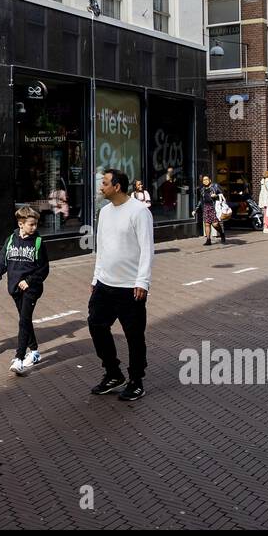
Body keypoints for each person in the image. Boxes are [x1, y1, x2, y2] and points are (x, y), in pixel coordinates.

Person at [88, 168, 154, 402]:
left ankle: (136, 380)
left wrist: (142, 281)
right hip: (105, 284)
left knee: (134, 335)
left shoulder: (139, 212)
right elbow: (102, 248)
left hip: (130, 287)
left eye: (104, 183)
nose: (100, 187)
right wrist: (96, 278)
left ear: (117, 187)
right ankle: (113, 373)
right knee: (96, 325)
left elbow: (147, 248)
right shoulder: (104, 212)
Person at [0, 205, 51, 376]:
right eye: (31, 224)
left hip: (32, 288)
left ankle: (19, 358)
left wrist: (29, 281)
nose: (35, 227)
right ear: (21, 224)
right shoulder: (10, 240)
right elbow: (1, 262)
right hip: (14, 288)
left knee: (23, 321)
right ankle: (35, 352)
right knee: (25, 320)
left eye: (36, 224)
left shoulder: (38, 242)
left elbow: (44, 269)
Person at [198, 175, 227, 245]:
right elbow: (200, 200)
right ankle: (208, 240)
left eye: (206, 179)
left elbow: (223, 194)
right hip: (205, 207)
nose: (205, 181)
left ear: (210, 180)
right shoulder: (202, 189)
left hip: (214, 207)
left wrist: (216, 196)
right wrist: (196, 209)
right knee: (207, 224)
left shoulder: (215, 186)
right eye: (204, 180)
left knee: (215, 224)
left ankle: (222, 233)